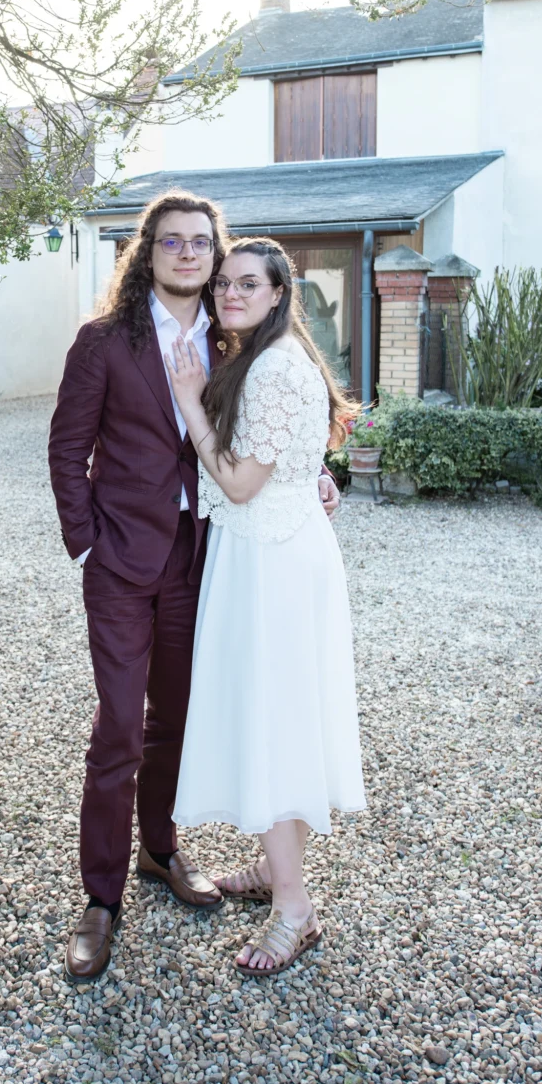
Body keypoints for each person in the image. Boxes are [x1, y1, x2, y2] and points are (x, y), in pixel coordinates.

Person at [49, 196, 341, 982]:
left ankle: (162, 851)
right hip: (120, 561)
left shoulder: (231, 337)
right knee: (118, 724)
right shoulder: (104, 341)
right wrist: (89, 546)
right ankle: (101, 899)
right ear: (147, 253)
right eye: (171, 242)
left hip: (205, 558)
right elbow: (67, 448)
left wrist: (310, 473)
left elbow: (265, 433)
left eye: (201, 243)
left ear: (217, 257)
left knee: (177, 718)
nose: (188, 254)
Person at [166, 237, 366, 976]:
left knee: (276, 723)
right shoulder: (263, 356)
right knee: (268, 714)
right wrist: (314, 476)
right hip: (267, 548)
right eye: (223, 284)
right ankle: (273, 869)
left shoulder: (276, 368)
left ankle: (295, 908)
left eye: (249, 284)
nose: (230, 294)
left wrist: (189, 401)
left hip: (272, 559)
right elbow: (289, 458)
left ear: (280, 293)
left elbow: (242, 482)